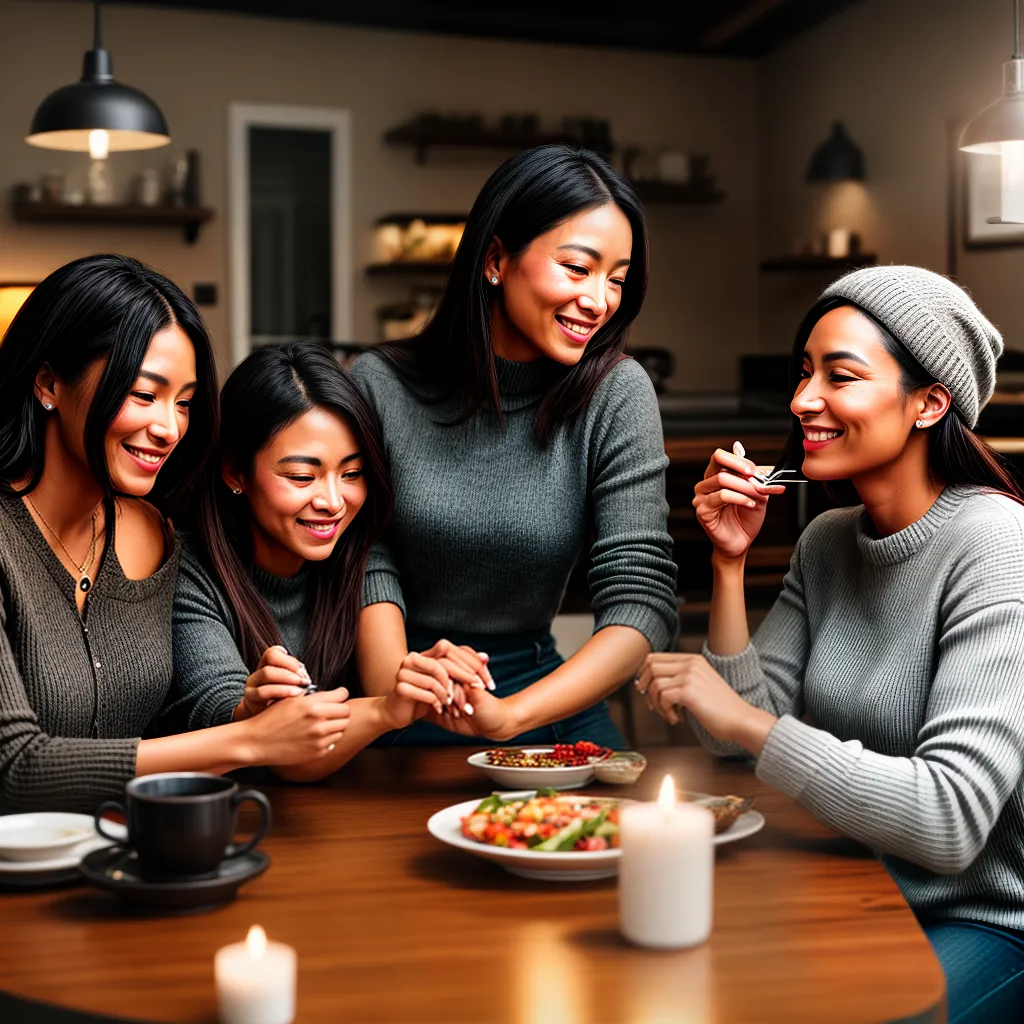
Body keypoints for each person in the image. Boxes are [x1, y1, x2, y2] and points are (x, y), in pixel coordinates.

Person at [637, 266, 1024, 1023]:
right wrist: (728, 562)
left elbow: (949, 821)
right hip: (856, 883)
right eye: (805, 372)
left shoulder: (997, 545)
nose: (802, 400)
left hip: (987, 920)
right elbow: (729, 742)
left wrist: (745, 720)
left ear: (929, 403)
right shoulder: (828, 541)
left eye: (839, 376)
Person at [352, 144, 678, 747]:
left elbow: (641, 601)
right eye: (577, 268)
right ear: (495, 259)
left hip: (540, 696)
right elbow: (367, 559)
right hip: (400, 689)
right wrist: (398, 691)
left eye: (617, 279)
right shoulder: (380, 384)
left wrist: (511, 715)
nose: (599, 301)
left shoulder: (616, 393)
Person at [0, 255, 349, 814]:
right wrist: (247, 740)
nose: (169, 428)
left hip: (129, 847)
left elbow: (165, 721)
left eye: (183, 403)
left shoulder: (150, 536)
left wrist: (246, 710)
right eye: (144, 395)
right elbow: (13, 767)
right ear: (49, 383)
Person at [161, 343, 449, 781]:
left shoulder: (360, 552)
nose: (333, 502)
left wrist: (430, 680)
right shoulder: (188, 570)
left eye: (351, 474)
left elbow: (389, 685)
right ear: (235, 472)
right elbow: (241, 730)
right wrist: (251, 709)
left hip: (335, 810)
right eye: (301, 476)